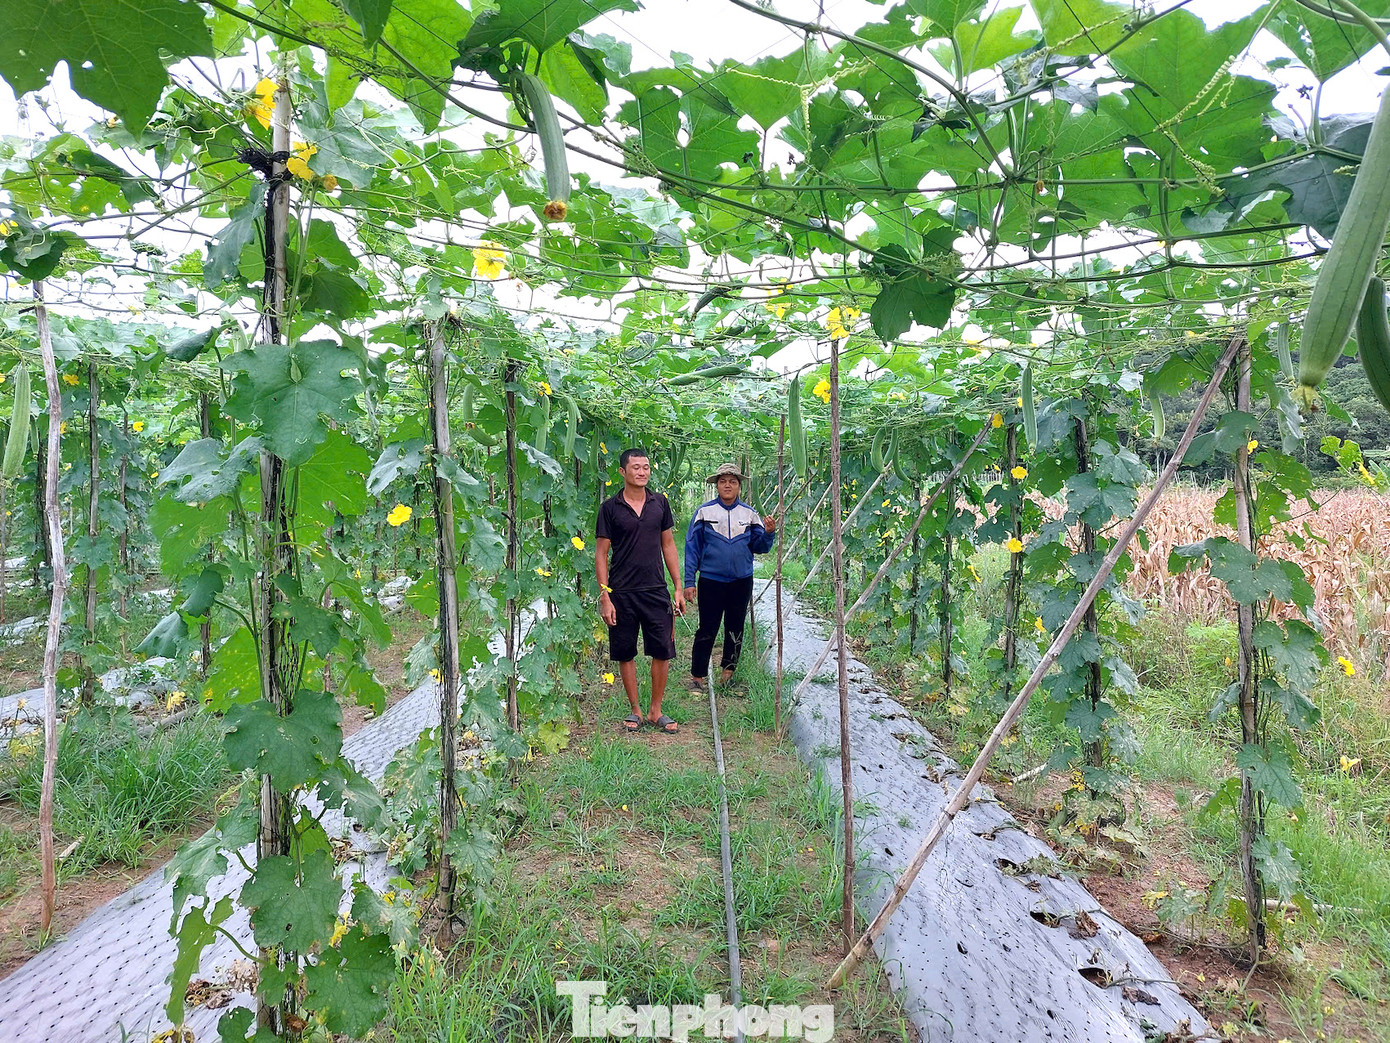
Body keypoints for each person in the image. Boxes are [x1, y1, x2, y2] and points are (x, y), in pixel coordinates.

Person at [595, 448, 687, 733]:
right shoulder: (610, 509)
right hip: (622, 591)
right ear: (623, 472)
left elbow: (668, 545)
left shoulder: (659, 503)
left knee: (662, 649)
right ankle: (635, 710)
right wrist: (605, 596)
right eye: (636, 467)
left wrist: (678, 587)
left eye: (646, 467)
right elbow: (601, 554)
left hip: (655, 589)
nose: (642, 472)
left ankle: (655, 710)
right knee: (625, 652)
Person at [683, 462, 778, 692]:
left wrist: (768, 533)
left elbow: (760, 547)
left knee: (735, 627)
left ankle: (728, 672)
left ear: (739, 487)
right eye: (723, 481)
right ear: (717, 485)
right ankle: (698, 676)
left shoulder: (749, 514)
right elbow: (692, 548)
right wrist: (688, 582)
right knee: (707, 627)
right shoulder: (704, 512)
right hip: (710, 580)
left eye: (732, 481)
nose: (728, 485)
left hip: (740, 581)